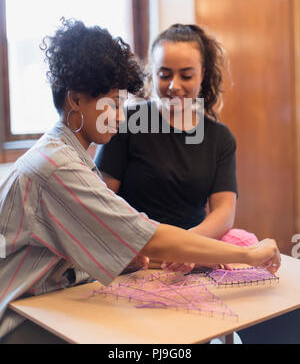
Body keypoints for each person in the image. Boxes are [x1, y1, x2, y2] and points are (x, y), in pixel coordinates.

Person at [0, 19, 280, 344]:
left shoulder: (67, 154)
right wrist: (249, 256)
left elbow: (118, 235)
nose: (120, 117)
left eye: (122, 105)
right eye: (113, 105)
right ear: (75, 100)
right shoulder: (56, 166)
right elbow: (145, 235)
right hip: (20, 320)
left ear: (203, 75)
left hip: (55, 298)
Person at [95, 24, 258, 272]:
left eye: (186, 75)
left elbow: (224, 212)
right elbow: (102, 200)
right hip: (137, 255)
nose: (174, 85)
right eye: (165, 74)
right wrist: (160, 245)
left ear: (202, 75)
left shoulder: (220, 138)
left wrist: (186, 246)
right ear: (153, 74)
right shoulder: (125, 123)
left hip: (193, 254)